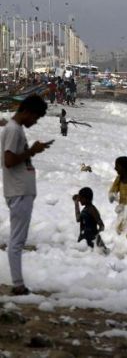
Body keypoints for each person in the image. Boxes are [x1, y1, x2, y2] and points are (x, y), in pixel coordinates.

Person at [1, 95, 52, 296]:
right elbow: (9, 160)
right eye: (36, 118)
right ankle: (18, 285)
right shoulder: (13, 130)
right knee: (17, 240)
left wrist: (32, 151)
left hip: (21, 190)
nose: (35, 122)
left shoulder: (14, 128)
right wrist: (32, 151)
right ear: (28, 113)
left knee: (18, 239)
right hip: (18, 191)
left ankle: (18, 283)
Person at [73, 187, 108, 254]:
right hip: (84, 238)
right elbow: (78, 219)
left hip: (91, 240)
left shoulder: (92, 209)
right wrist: (76, 203)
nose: (80, 200)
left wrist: (96, 237)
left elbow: (101, 225)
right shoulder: (86, 209)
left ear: (86, 198)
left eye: (81, 198)